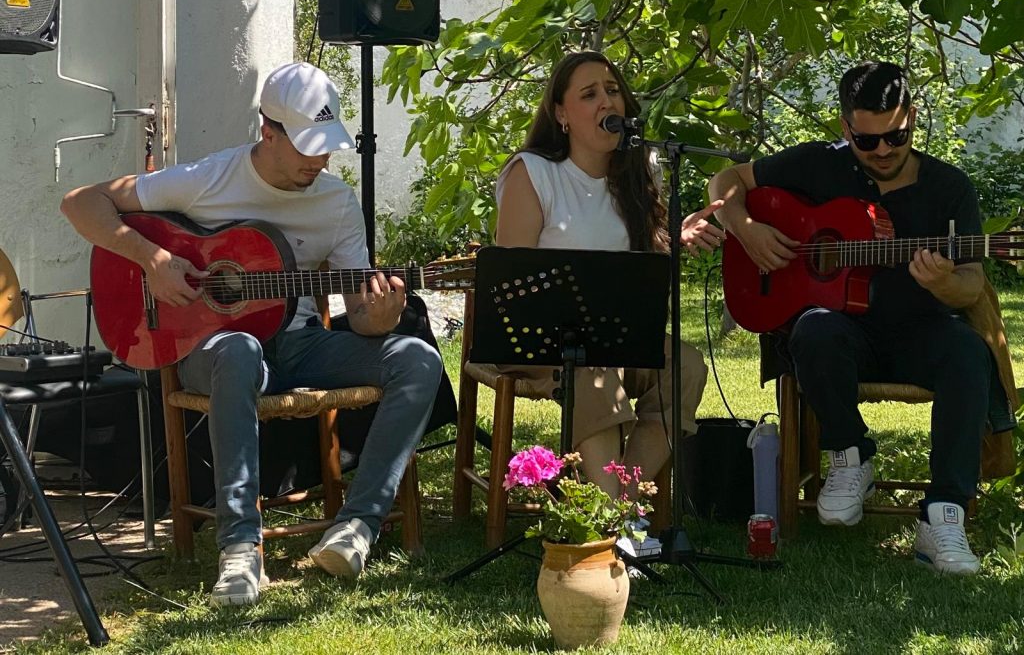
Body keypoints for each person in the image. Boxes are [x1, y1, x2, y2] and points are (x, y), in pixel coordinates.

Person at [61, 62, 442, 605]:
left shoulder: (336, 203)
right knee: (238, 349)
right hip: (213, 350)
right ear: (269, 132)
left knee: (419, 358)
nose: (319, 159)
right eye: (307, 145)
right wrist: (152, 259)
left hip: (301, 345)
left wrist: (379, 318)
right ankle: (240, 549)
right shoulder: (208, 178)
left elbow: (360, 314)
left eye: (327, 147)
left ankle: (356, 527)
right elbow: (80, 203)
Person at [709, 61, 1014, 575]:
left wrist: (942, 282)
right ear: (845, 127)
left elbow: (970, 283)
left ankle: (944, 514)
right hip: (844, 336)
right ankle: (850, 456)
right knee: (813, 329)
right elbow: (725, 179)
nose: (883, 151)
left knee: (968, 351)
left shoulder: (949, 187)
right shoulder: (817, 164)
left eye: (896, 136)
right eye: (867, 141)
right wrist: (745, 228)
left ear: (911, 117)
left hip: (922, 333)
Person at [494, 51, 723, 532]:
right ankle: (615, 528)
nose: (606, 101)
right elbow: (511, 283)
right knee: (592, 369)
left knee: (685, 367)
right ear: (561, 113)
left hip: (617, 339)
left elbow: (642, 275)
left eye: (613, 90)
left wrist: (674, 238)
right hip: (543, 344)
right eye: (589, 93)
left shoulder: (637, 176)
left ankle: (614, 516)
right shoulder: (532, 173)